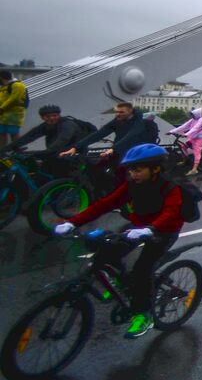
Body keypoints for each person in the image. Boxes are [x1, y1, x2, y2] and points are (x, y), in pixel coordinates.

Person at [52, 144, 186, 339]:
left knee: (142, 270)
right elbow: (106, 204)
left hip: (163, 231)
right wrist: (73, 222)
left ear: (155, 169)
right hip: (138, 227)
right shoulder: (132, 184)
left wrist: (151, 229)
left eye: (138, 170)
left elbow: (171, 212)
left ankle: (143, 314)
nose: (133, 174)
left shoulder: (170, 186)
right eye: (131, 170)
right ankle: (123, 282)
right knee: (105, 250)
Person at [62, 101, 161, 191]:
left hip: (137, 153)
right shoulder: (118, 120)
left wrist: (113, 149)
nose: (118, 114)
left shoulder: (140, 122)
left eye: (121, 112)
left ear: (130, 112)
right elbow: (99, 134)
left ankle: (127, 196)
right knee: (98, 167)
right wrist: (76, 147)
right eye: (116, 112)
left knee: (125, 176)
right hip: (120, 149)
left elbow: (130, 137)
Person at [9, 104, 87, 160]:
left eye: (55, 115)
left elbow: (62, 140)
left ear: (59, 115)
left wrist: (42, 153)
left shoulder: (67, 124)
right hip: (57, 152)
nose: (52, 118)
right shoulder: (45, 126)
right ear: (42, 117)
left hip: (74, 152)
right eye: (48, 116)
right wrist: (8, 149)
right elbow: (29, 137)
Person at [168, 107, 202, 174]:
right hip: (194, 137)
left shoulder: (201, 120)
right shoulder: (193, 120)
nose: (191, 116)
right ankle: (185, 161)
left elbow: (195, 128)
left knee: (197, 152)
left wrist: (186, 134)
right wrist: (172, 131)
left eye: (192, 114)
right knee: (183, 147)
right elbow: (183, 126)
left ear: (196, 114)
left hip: (201, 138)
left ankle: (194, 169)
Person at [0, 70, 27, 150]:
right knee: (2, 133)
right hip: (3, 114)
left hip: (14, 114)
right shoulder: (4, 87)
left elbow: (14, 99)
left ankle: (17, 150)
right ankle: (2, 150)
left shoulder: (18, 85)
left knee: (13, 132)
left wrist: (2, 108)